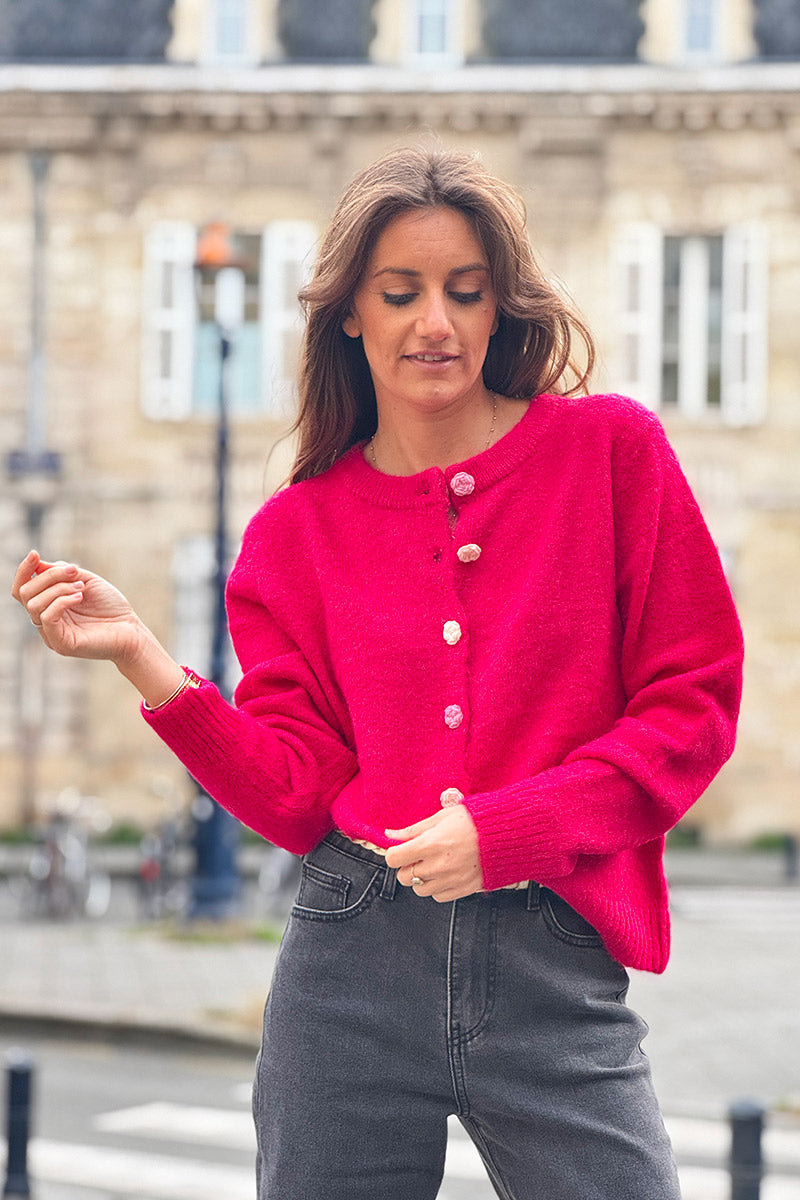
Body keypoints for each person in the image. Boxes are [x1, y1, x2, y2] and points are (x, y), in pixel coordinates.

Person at [12, 144, 743, 1200]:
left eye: (465, 292)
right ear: (350, 312)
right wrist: (144, 660)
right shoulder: (294, 533)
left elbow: (692, 705)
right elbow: (295, 792)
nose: (434, 322)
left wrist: (510, 828)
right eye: (400, 293)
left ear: (501, 307)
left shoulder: (610, 455)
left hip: (550, 955)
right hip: (349, 964)